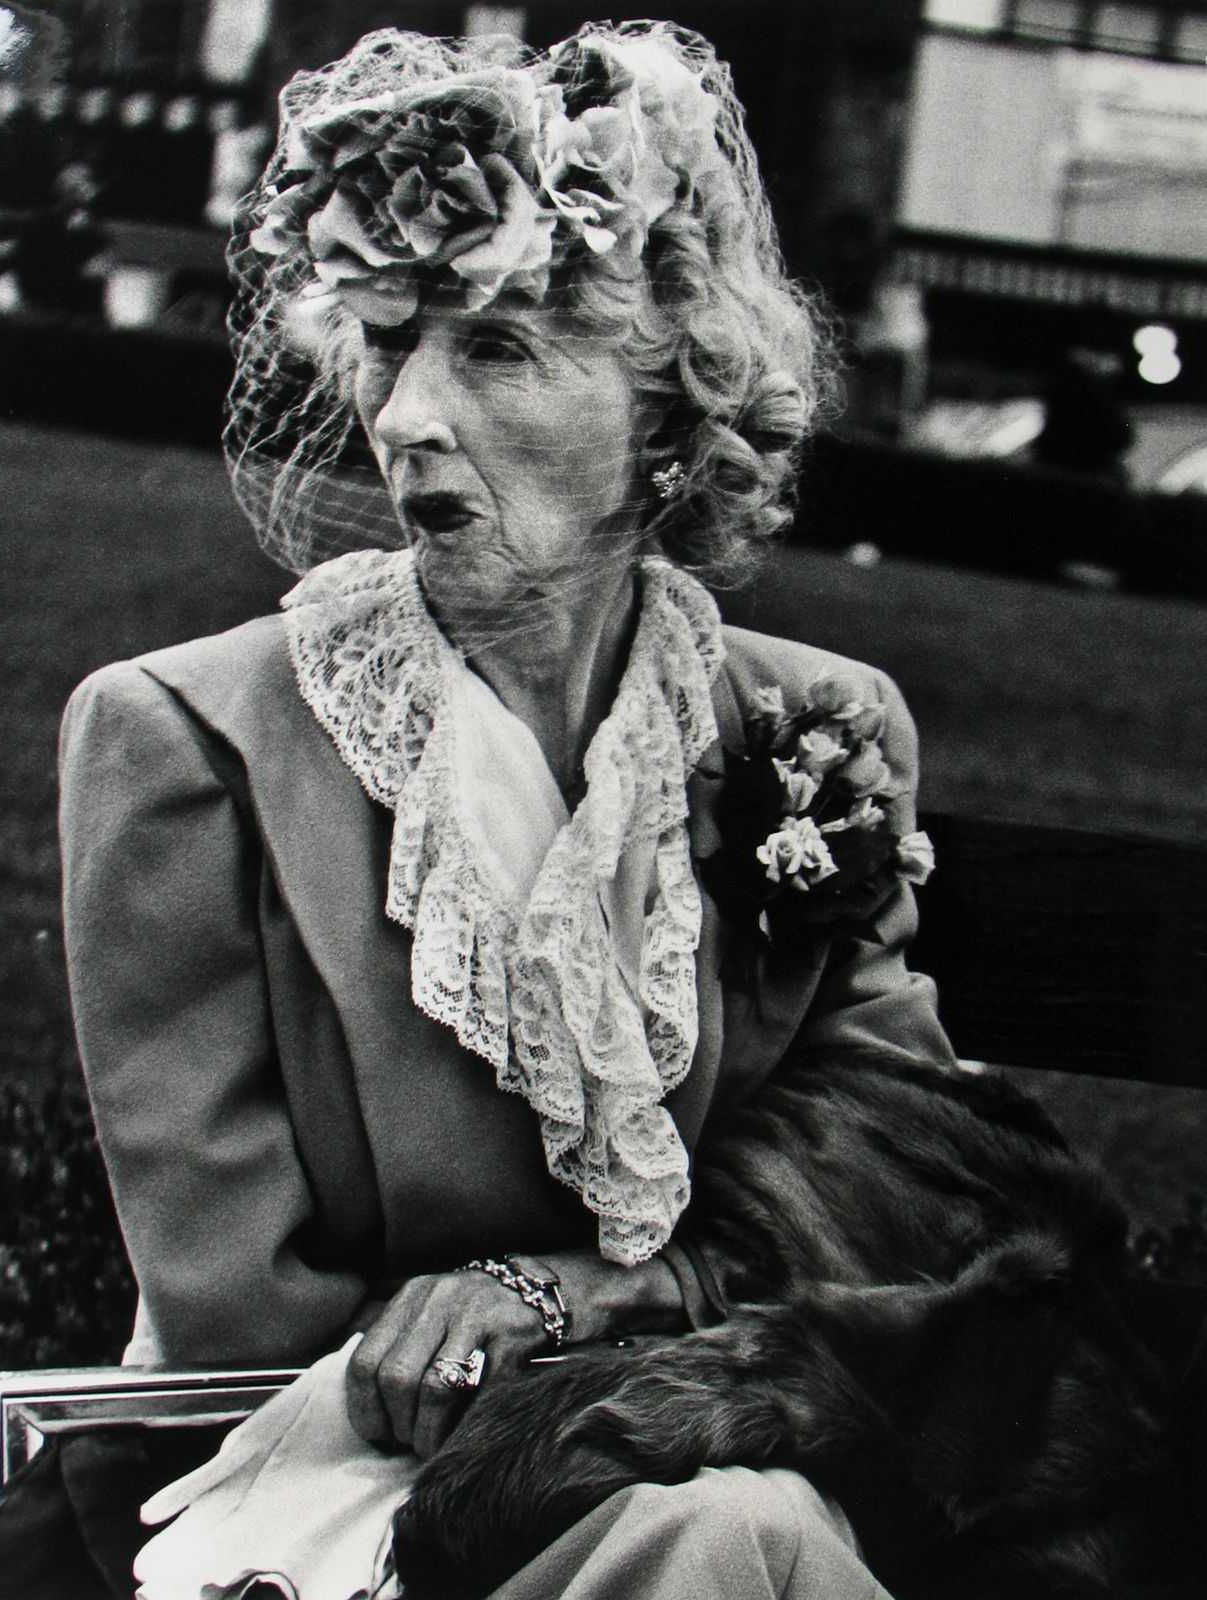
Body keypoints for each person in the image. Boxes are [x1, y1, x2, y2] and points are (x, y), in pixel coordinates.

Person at [54, 21, 954, 1598]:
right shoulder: (187, 743)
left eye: (496, 349)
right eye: (390, 343)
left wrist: (582, 1294)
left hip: (718, 1437)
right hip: (310, 1485)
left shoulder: (814, 732)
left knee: (756, 1529)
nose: (403, 419)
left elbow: (893, 1188)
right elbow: (238, 1315)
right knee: (745, 1540)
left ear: (669, 408)